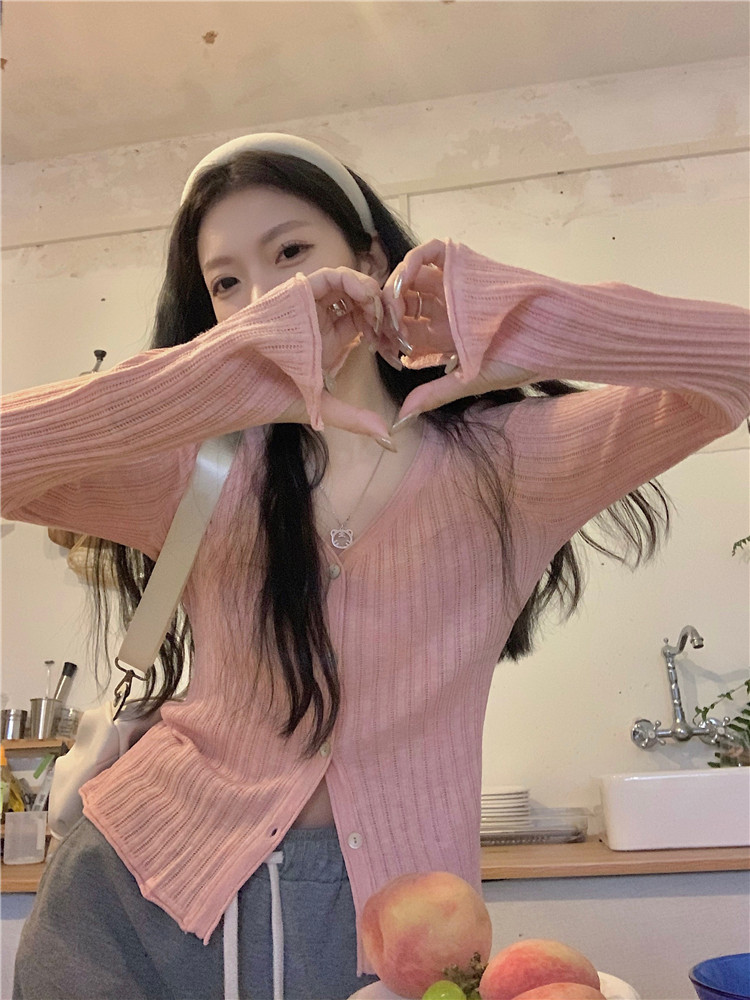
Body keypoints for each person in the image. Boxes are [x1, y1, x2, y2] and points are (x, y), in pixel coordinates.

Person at [2, 132, 748, 1000]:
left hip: (397, 928)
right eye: (227, 285)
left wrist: (526, 325)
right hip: (137, 889)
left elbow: (732, 373)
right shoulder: (195, 469)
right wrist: (212, 379)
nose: (266, 300)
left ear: (368, 262)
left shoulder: (509, 466)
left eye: (290, 253)